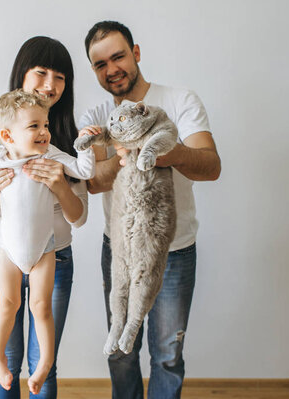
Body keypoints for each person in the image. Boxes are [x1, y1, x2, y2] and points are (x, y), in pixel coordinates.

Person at [79, 21, 221, 399]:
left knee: (168, 356)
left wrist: (164, 152)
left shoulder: (179, 100)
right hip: (121, 247)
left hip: (174, 251)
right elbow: (92, 181)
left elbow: (211, 166)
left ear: (136, 53)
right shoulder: (96, 116)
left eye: (119, 56)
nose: (112, 69)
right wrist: (125, 157)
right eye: (100, 64)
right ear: (93, 70)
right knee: (122, 354)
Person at [0, 37, 88, 399]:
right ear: (21, 75)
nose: (49, 84)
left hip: (52, 252)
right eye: (40, 72)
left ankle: (42, 371)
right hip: (1, 254)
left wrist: (61, 186)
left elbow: (79, 218)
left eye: (60, 77)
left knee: (46, 359)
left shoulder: (61, 143)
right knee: (9, 360)